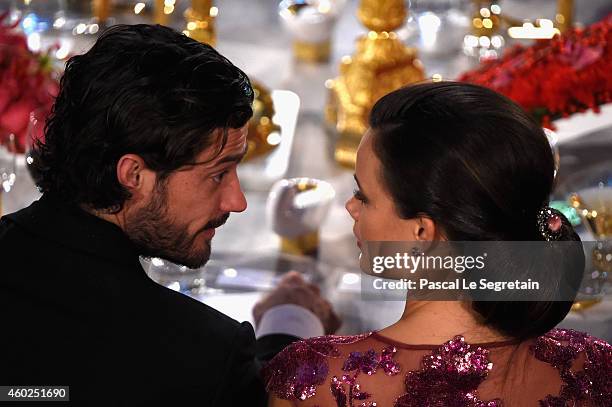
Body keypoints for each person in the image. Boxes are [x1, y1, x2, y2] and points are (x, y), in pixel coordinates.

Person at [0, 24, 338, 405]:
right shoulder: (201, 356)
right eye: (218, 173)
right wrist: (288, 326)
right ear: (133, 174)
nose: (237, 200)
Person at [264, 82, 612, 406]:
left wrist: (289, 324)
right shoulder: (594, 368)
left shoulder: (313, 380)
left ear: (422, 232)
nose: (350, 207)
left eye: (363, 195)